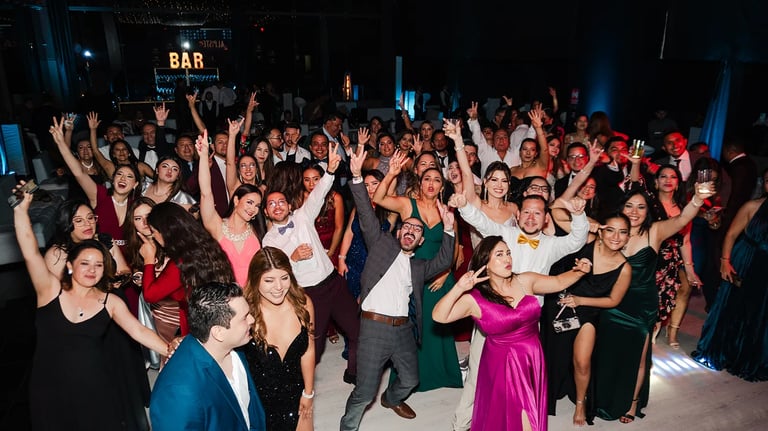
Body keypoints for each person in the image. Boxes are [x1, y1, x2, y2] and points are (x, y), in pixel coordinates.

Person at [12, 182, 169, 431]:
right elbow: (30, 252)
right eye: (85, 263)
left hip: (95, 390)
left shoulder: (109, 301)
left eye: (98, 265)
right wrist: (21, 211)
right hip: (49, 391)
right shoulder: (50, 292)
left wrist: (171, 349)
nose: (92, 270)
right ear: (71, 266)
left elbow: (139, 331)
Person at [340, 145, 455, 430]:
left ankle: (391, 399)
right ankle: (348, 427)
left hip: (403, 329)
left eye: (418, 231)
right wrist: (356, 176)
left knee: (411, 380)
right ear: (399, 230)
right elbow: (367, 212)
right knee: (365, 392)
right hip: (374, 327)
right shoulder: (380, 244)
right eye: (408, 227)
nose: (411, 231)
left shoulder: (418, 266)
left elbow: (442, 260)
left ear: (419, 242)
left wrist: (450, 229)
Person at [433, 236, 593, 431]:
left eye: (508, 253)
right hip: (502, 365)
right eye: (499, 255)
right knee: (520, 417)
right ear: (486, 263)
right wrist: (459, 288)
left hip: (532, 358)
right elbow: (440, 316)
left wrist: (579, 272)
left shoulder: (525, 280)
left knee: (529, 413)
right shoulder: (475, 299)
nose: (507, 258)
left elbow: (559, 281)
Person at [593, 182, 714, 423]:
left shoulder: (655, 231)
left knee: (638, 355)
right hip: (610, 302)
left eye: (641, 206)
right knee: (608, 353)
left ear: (649, 210)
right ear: (621, 208)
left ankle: (633, 402)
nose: (634, 212)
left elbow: (681, 221)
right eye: (629, 206)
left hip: (641, 304)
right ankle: (603, 397)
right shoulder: (610, 231)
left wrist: (697, 200)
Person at [261, 140, 360, 384]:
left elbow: (319, 193)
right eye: (271, 204)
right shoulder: (269, 241)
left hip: (333, 283)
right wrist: (292, 258)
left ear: (289, 205)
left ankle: (355, 372)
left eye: (281, 202)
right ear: (265, 212)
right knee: (312, 344)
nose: (277, 206)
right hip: (309, 294)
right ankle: (301, 388)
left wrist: (331, 170)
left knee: (358, 330)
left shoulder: (303, 215)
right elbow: (276, 275)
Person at [373, 150, 464, 392]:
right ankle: (406, 381)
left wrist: (445, 273)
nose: (431, 183)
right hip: (411, 276)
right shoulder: (407, 204)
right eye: (427, 179)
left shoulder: (447, 212)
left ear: (442, 184)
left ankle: (441, 374)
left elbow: (452, 245)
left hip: (439, 277)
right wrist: (392, 173)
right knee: (410, 329)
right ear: (420, 182)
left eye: (436, 179)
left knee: (439, 328)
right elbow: (380, 199)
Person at [541, 213, 632, 425]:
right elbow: (557, 211)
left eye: (622, 232)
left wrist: (581, 301)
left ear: (628, 237)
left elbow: (613, 300)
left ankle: (580, 403)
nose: (616, 237)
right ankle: (546, 394)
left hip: (588, 312)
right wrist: (583, 219)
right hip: (560, 305)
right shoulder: (588, 240)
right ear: (601, 231)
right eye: (610, 229)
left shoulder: (624, 268)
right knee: (553, 355)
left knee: (582, 362)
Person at [150, 282, 266, 431]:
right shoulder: (178, 391)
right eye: (244, 318)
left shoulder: (237, 348)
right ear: (218, 332)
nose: (252, 320)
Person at [692, 171, 768, 381]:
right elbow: (731, 234)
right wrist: (725, 262)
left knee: (759, 314)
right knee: (731, 307)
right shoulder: (753, 206)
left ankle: (748, 357)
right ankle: (719, 352)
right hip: (746, 261)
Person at [240, 247, 315, 431]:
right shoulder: (245, 313)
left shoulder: (303, 304)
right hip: (259, 405)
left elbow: (308, 350)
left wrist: (308, 392)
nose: (279, 287)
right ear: (255, 279)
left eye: (284, 277)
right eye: (269, 280)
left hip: (297, 397)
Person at [139, 202, 235, 336]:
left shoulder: (182, 261)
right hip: (220, 319)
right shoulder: (207, 245)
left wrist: (148, 259)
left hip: (200, 329)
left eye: (154, 231)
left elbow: (150, 294)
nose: (154, 236)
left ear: (166, 231)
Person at [51, 116, 140, 249]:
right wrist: (61, 143)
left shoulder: (137, 204)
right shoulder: (100, 195)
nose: (122, 178)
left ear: (135, 184)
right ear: (113, 179)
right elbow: (78, 172)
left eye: (129, 176)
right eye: (119, 174)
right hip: (102, 258)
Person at [196, 130, 263, 287]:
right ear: (236, 200)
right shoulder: (217, 226)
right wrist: (204, 157)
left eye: (258, 205)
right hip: (225, 299)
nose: (253, 209)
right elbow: (206, 193)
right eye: (249, 202)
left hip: (254, 297)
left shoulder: (257, 230)